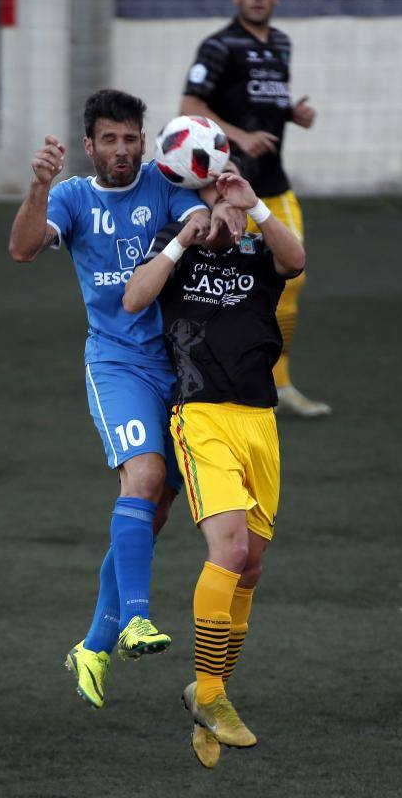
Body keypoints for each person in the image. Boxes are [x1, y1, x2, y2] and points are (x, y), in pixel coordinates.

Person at [8, 89, 235, 709]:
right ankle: (136, 619)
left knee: (154, 511)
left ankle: (93, 646)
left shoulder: (166, 183)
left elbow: (220, 222)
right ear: (90, 145)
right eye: (109, 140)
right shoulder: (74, 197)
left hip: (184, 369)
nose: (121, 150)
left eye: (131, 138)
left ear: (145, 139)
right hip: (118, 363)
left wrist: (226, 193)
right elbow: (23, 249)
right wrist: (38, 186)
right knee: (145, 476)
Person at [123, 163, 304, 767]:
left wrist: (257, 207)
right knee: (225, 551)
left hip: (261, 422)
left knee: (249, 569)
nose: (221, 207)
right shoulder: (177, 255)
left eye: (229, 198)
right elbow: (133, 298)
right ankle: (213, 693)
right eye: (211, 197)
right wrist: (181, 239)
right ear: (192, 204)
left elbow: (296, 259)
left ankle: (205, 694)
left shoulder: (258, 256)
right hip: (200, 417)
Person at [180, 0, 330, 418]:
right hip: (227, 189)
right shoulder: (218, 45)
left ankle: (279, 383)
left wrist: (291, 114)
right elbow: (190, 108)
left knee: (292, 279)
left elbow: (259, 101)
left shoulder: (281, 43)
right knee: (222, 287)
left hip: (273, 189)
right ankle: (215, 380)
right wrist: (241, 137)